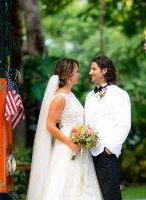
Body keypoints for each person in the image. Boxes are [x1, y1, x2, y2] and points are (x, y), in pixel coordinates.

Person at [27, 58, 103, 200]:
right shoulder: (60, 97)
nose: (79, 74)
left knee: (80, 184)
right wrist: (70, 143)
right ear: (68, 75)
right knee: (63, 183)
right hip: (66, 146)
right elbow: (49, 125)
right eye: (76, 72)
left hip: (78, 145)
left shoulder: (71, 95)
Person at [85, 56, 131, 200]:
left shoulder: (119, 94)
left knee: (110, 195)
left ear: (104, 70)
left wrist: (110, 148)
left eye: (94, 69)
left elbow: (124, 124)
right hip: (88, 154)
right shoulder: (89, 96)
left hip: (106, 153)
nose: (90, 72)